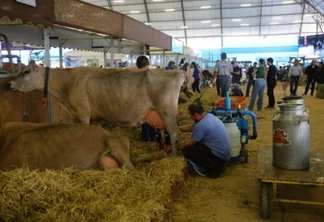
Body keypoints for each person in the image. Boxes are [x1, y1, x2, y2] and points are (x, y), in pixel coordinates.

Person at [179, 103, 230, 178]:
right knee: (196, 147)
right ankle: (217, 163)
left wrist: (176, 147)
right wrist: (176, 128)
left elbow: (191, 143)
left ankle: (215, 166)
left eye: (190, 115)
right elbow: (191, 127)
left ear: (196, 115)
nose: (190, 118)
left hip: (220, 155)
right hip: (223, 152)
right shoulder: (209, 116)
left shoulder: (202, 125)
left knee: (187, 150)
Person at [136, 56, 155, 142]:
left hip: (142, 99)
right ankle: (153, 136)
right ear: (148, 63)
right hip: (153, 98)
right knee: (152, 117)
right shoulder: (153, 73)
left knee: (144, 119)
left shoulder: (135, 75)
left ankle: (145, 138)